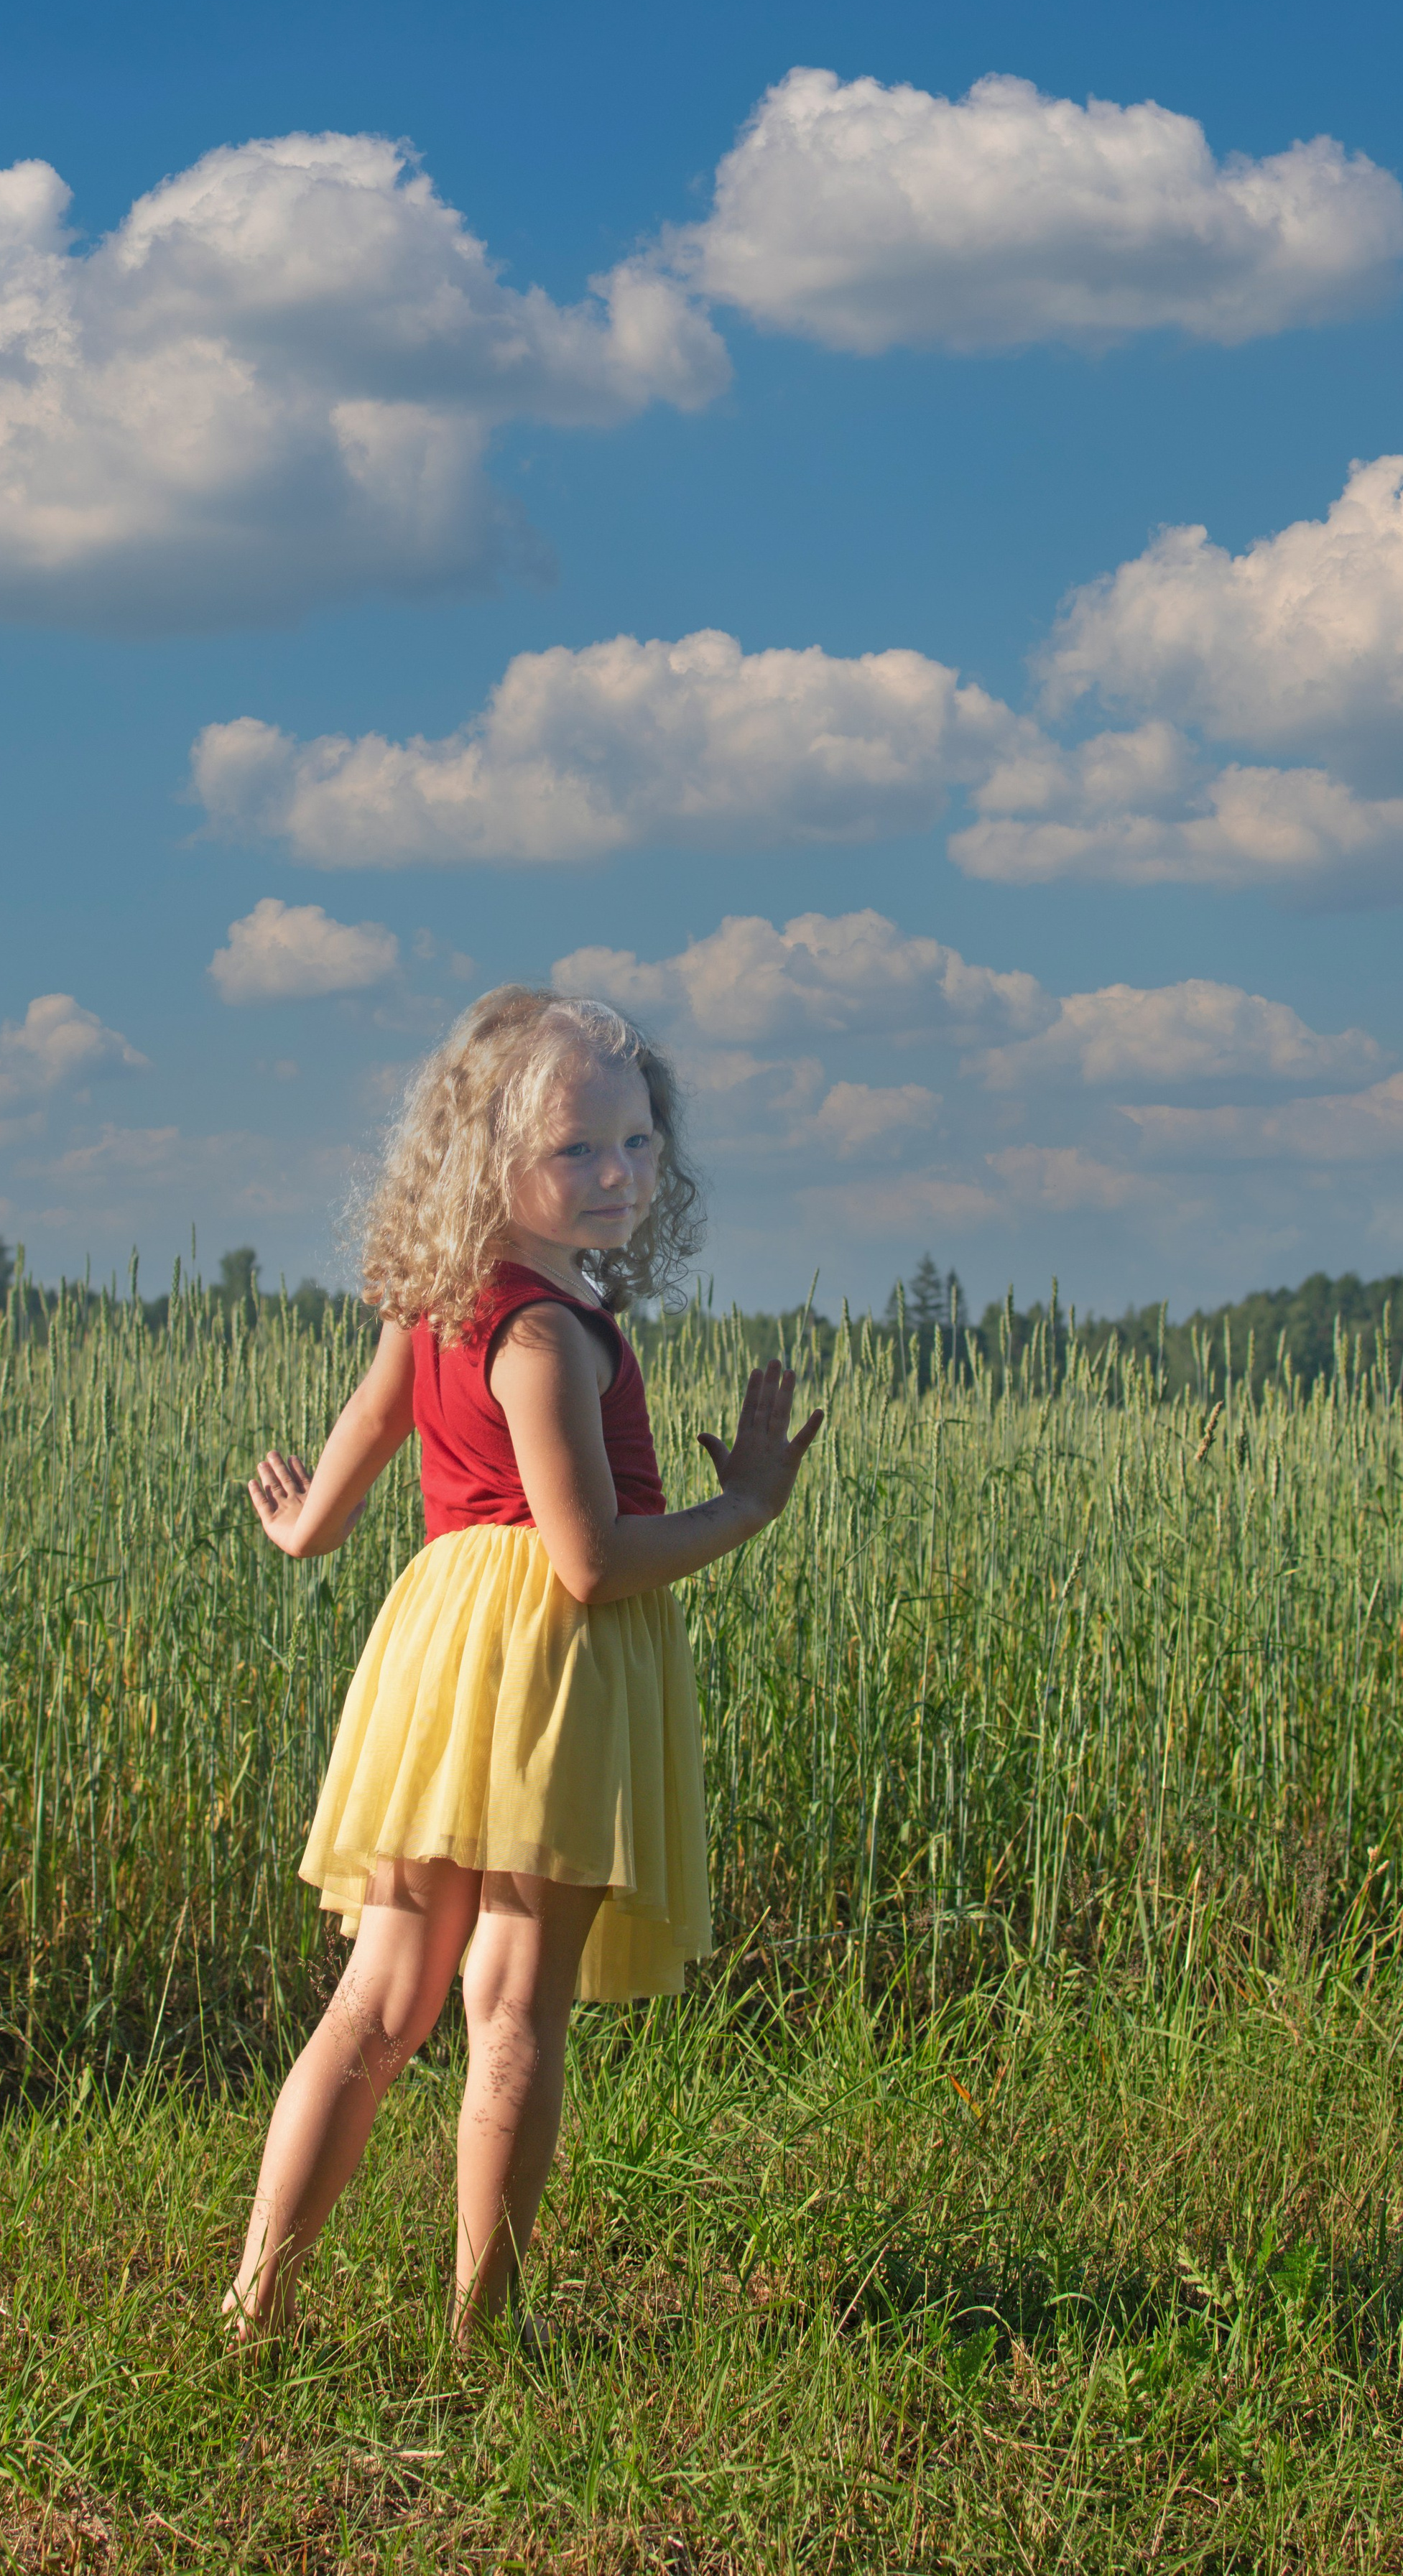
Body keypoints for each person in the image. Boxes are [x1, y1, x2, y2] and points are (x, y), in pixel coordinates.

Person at [221, 986, 823, 2346]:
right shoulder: (549, 1334)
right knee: (508, 2010)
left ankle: (256, 2301)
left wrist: (303, 1528)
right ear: (490, 1159)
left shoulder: (440, 1299)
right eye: (579, 1151)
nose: (619, 1175)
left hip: (441, 1653)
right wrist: (750, 1507)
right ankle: (483, 2330)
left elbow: (372, 1430)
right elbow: (592, 1562)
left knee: (379, 2002)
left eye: (639, 1144)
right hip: (546, 1666)